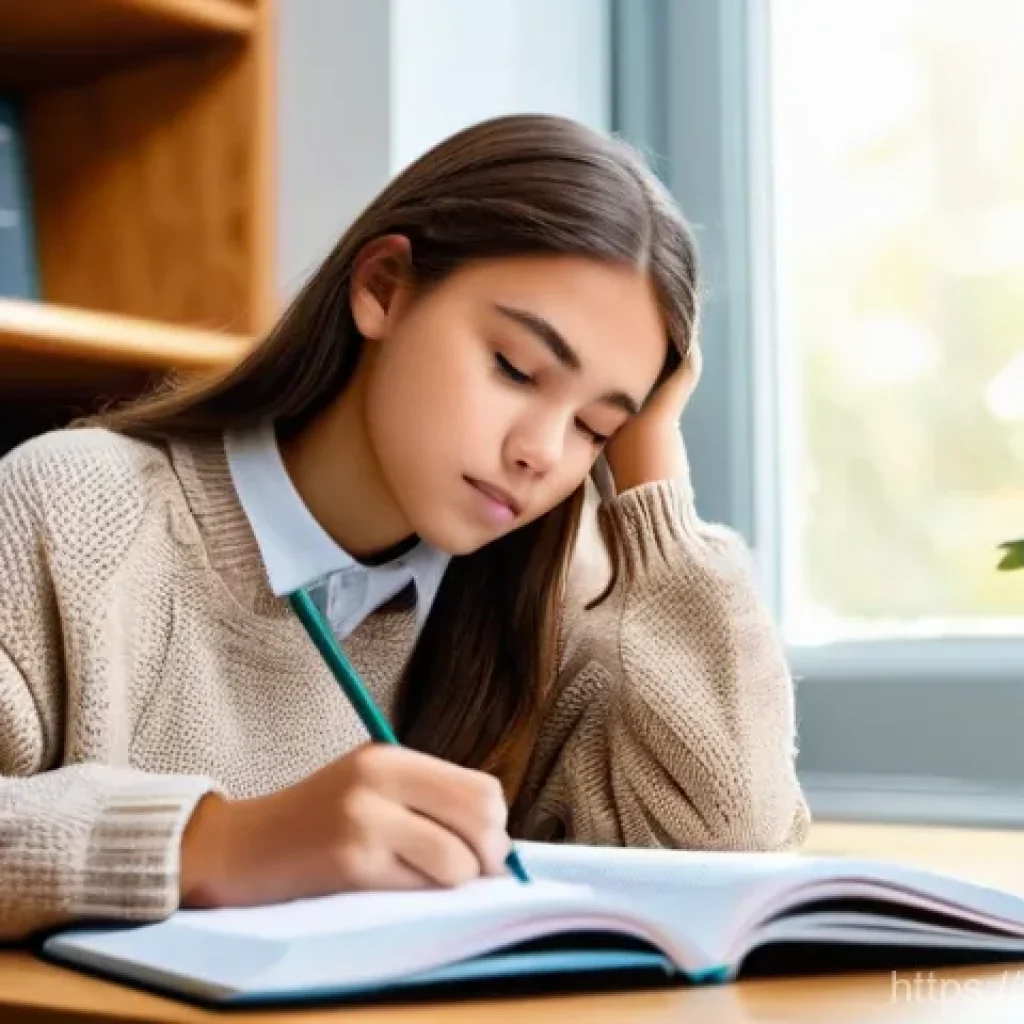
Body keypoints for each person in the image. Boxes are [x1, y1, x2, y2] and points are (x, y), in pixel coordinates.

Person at [0, 114, 808, 941]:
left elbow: (733, 850)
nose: (540, 453)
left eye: (594, 427)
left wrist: (653, 468)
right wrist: (223, 844)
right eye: (516, 369)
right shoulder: (77, 512)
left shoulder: (559, 590)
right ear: (383, 288)